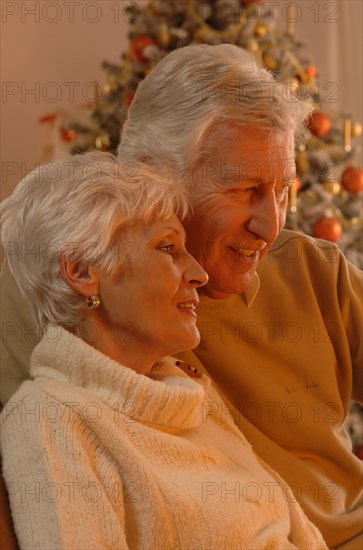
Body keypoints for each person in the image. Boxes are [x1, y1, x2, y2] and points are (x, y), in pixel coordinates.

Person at [0, 43, 362, 549]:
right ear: (152, 172)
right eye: (243, 189)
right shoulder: (38, 293)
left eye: (282, 189)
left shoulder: (311, 270)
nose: (270, 225)